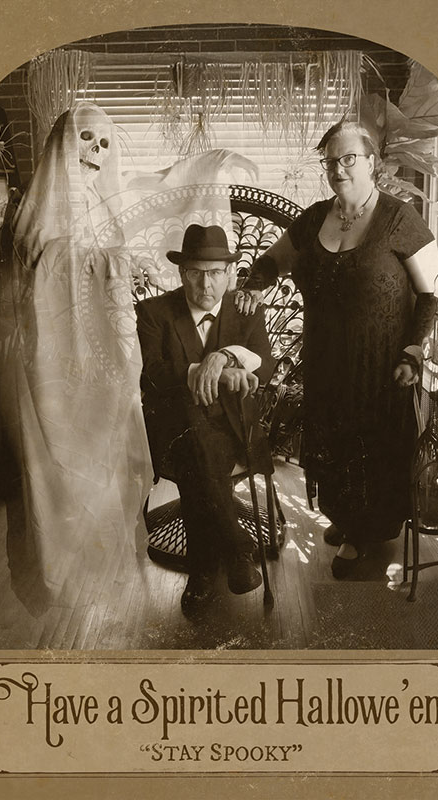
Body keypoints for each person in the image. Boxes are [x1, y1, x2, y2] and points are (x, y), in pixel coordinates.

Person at [235, 120, 438, 579]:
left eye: (349, 158)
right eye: (331, 161)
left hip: (381, 366)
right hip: (326, 362)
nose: (338, 168)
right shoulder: (313, 219)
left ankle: (362, 536)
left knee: (371, 448)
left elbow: (432, 292)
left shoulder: (399, 218)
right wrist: (254, 284)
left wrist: (413, 351)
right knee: (332, 445)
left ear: (372, 162)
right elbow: (272, 260)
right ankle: (348, 520)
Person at [0, 101, 153, 612]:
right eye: (87, 138)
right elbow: (41, 263)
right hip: (53, 355)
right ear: (64, 142)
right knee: (58, 461)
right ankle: (58, 576)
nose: (95, 151)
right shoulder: (36, 207)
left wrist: (126, 265)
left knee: (107, 453)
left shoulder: (104, 204)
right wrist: (112, 262)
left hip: (100, 352)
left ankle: (97, 568)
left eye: (105, 144)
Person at [136, 224, 276, 609]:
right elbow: (151, 373)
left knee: (201, 461)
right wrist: (198, 371)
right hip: (177, 430)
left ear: (229, 274)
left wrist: (229, 357)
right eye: (196, 273)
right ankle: (238, 548)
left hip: (235, 428)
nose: (206, 283)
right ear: (182, 273)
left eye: (215, 272)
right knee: (196, 442)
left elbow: (266, 366)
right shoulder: (154, 312)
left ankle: (203, 570)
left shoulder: (244, 311)